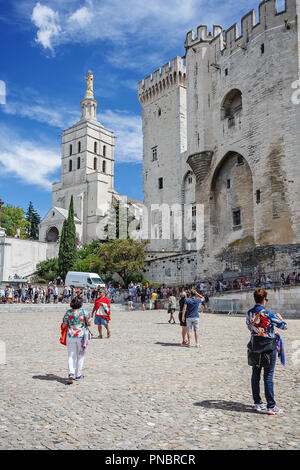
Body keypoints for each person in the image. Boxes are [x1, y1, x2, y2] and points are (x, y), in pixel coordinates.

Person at [246, 289, 287, 415]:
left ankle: (258, 403)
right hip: (268, 347)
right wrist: (281, 318)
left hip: (255, 346)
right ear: (264, 299)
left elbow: (249, 327)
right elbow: (283, 326)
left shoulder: (250, 313)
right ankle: (271, 406)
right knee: (268, 376)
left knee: (255, 375)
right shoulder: (268, 314)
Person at [62, 296, 91, 384]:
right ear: (81, 304)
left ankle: (71, 373)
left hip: (71, 335)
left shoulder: (68, 313)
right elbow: (89, 324)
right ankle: (78, 375)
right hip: (82, 336)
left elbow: (64, 325)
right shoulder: (85, 312)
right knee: (81, 356)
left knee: (71, 355)